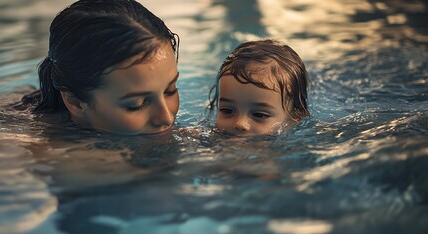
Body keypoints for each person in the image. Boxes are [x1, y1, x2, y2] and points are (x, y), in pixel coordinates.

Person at [20, 0, 180, 135]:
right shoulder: (32, 152)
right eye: (136, 104)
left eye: (170, 90)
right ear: (75, 102)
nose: (166, 117)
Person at [208, 39, 309, 136]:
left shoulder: (297, 148)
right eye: (227, 110)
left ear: (294, 118)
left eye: (259, 115)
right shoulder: (211, 138)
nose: (240, 124)